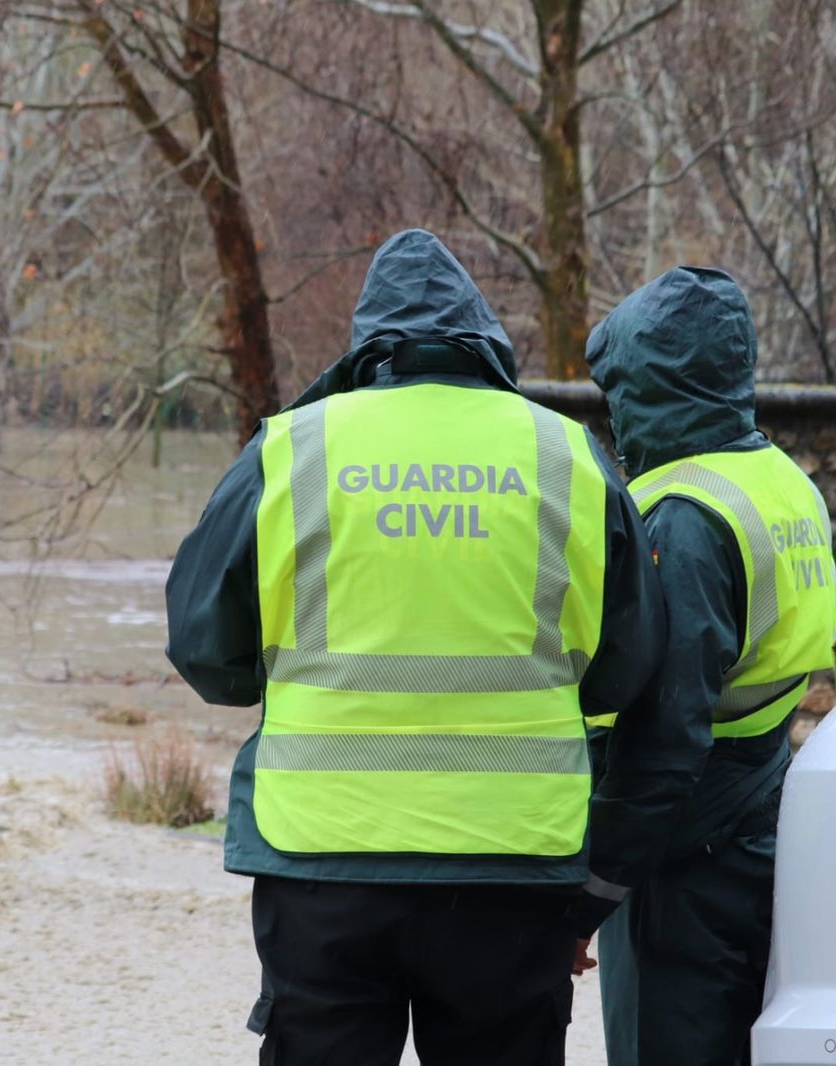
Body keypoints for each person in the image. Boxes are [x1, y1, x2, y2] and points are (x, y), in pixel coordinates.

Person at [165, 228, 678, 1065]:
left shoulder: (295, 447)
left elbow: (205, 654)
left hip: (324, 859)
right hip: (511, 866)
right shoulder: (566, 454)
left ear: (368, 348)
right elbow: (626, 665)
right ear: (486, 342)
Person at [583, 267, 836, 1066]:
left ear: (650, 384)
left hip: (679, 852)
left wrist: (596, 889)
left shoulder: (683, 516)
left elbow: (664, 735)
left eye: (619, 386)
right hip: (762, 809)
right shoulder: (785, 483)